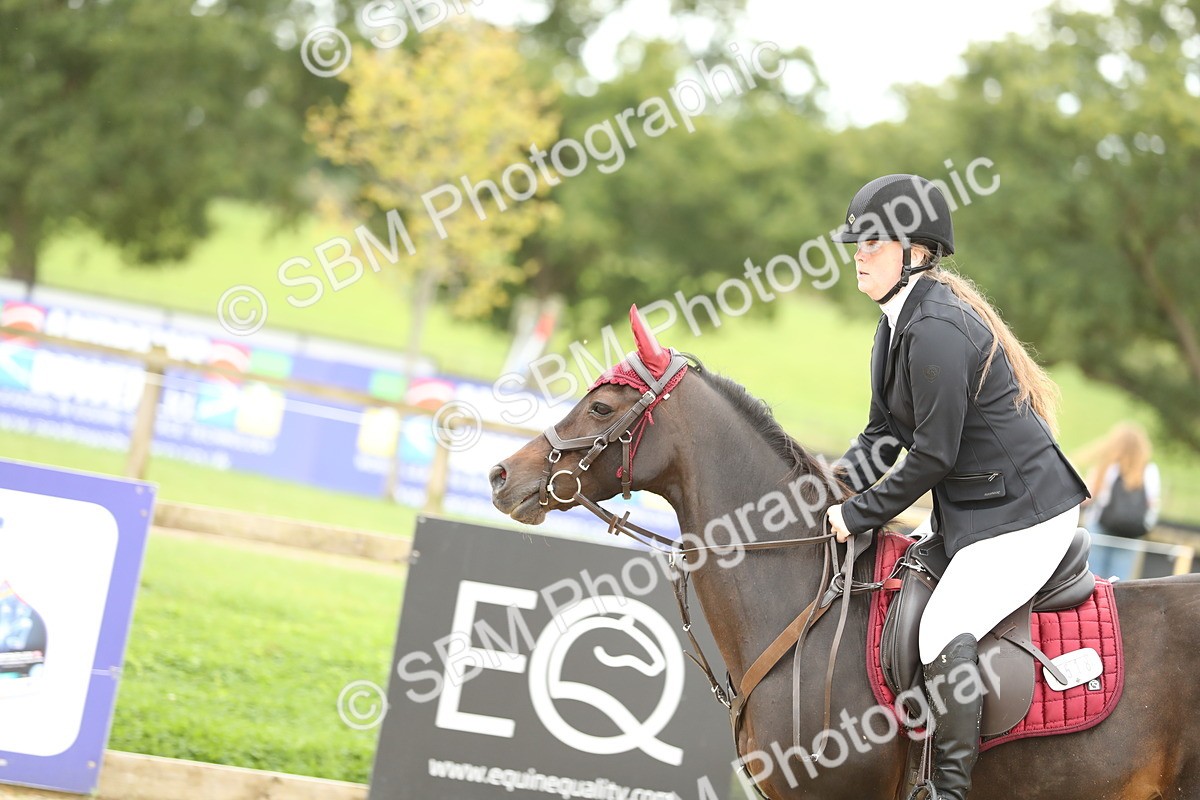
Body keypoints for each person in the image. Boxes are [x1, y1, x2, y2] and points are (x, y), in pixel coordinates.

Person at [823, 174, 1090, 800]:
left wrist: (858, 516)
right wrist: (826, 491)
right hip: (974, 509)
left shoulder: (936, 327)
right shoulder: (896, 322)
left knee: (942, 626)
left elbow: (933, 456)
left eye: (873, 241)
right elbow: (882, 437)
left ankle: (948, 789)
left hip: (1024, 517)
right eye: (855, 240)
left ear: (916, 251)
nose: (857, 251)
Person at [1078, 421, 1162, 580]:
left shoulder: (1108, 468)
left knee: (1093, 577)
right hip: (1131, 532)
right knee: (1120, 580)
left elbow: (1089, 497)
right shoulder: (1150, 471)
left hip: (1101, 528)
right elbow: (1152, 504)